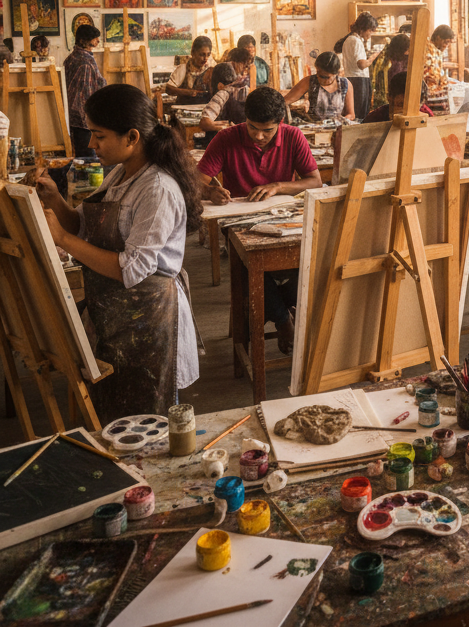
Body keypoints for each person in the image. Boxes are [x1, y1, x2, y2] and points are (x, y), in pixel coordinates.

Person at [32, 84, 201, 422]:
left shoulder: (157, 189)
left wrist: (62, 238)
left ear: (132, 137)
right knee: (121, 415)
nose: (91, 144)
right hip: (121, 314)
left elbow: (132, 269)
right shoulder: (122, 173)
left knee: (153, 419)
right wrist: (54, 199)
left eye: (99, 135)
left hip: (152, 319)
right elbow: (85, 225)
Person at [197, 87, 322, 353]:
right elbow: (196, 182)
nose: (259, 136)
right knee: (252, 265)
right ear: (245, 118)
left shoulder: (293, 136)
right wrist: (210, 191)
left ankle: (283, 314)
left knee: (304, 260)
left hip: (281, 218)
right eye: (253, 128)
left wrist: (278, 186)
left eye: (268, 130)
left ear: (281, 123)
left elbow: (315, 180)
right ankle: (282, 319)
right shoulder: (226, 138)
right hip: (239, 222)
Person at [63, 23, 107, 157]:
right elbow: (86, 92)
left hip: (70, 114)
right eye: (94, 38)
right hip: (84, 116)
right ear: (84, 40)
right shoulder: (86, 62)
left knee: (80, 156)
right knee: (88, 159)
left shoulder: (70, 58)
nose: (98, 41)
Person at [283, 50, 354, 121]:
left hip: (337, 125)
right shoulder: (310, 81)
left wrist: (337, 122)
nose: (321, 79)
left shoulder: (344, 84)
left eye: (326, 77)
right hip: (314, 126)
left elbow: (351, 115)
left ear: (336, 74)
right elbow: (286, 100)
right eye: (319, 75)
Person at [337, 13, 378, 120]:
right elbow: (362, 64)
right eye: (370, 30)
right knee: (360, 114)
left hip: (353, 79)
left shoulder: (350, 39)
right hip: (359, 81)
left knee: (356, 112)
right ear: (363, 29)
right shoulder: (355, 41)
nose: (370, 34)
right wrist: (374, 57)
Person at [197, 58, 250, 134]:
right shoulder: (247, 90)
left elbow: (204, 123)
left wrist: (226, 128)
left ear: (220, 86)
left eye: (209, 81)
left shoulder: (223, 94)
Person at [363, 72, 433, 123]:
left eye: (413, 106)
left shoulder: (426, 116)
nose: (407, 112)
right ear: (389, 98)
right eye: (401, 104)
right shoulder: (375, 118)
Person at [370, 33, 410, 110]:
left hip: (379, 101)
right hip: (392, 101)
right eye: (407, 48)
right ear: (402, 49)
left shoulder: (385, 59)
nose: (408, 51)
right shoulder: (395, 64)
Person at [424, 24, 456, 102]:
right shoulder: (429, 51)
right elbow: (432, 77)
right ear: (438, 38)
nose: (447, 46)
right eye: (446, 42)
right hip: (429, 92)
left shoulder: (436, 50)